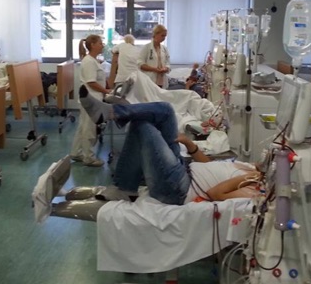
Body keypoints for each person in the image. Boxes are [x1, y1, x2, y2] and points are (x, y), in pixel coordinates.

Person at [78, 86, 262, 204]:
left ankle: (125, 186)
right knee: (165, 110)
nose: (265, 160)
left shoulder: (256, 189)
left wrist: (251, 178)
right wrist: (190, 145)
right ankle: (112, 112)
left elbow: (216, 194)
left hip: (179, 188)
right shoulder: (249, 167)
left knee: (143, 125)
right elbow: (209, 166)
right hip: (184, 170)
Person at [70, 34, 112, 167]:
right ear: (92, 45)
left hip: (91, 99)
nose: (102, 45)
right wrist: (106, 91)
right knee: (89, 129)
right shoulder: (89, 62)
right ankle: (88, 157)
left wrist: (105, 89)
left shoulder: (93, 60)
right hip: (91, 100)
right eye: (100, 43)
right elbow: (91, 82)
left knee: (83, 127)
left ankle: (76, 153)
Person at [138, 24, 170, 89]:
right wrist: (154, 69)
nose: (164, 38)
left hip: (162, 80)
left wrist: (165, 68)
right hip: (150, 79)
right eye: (162, 35)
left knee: (161, 94)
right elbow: (140, 64)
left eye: (165, 36)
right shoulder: (146, 47)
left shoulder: (164, 49)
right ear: (155, 34)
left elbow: (168, 63)